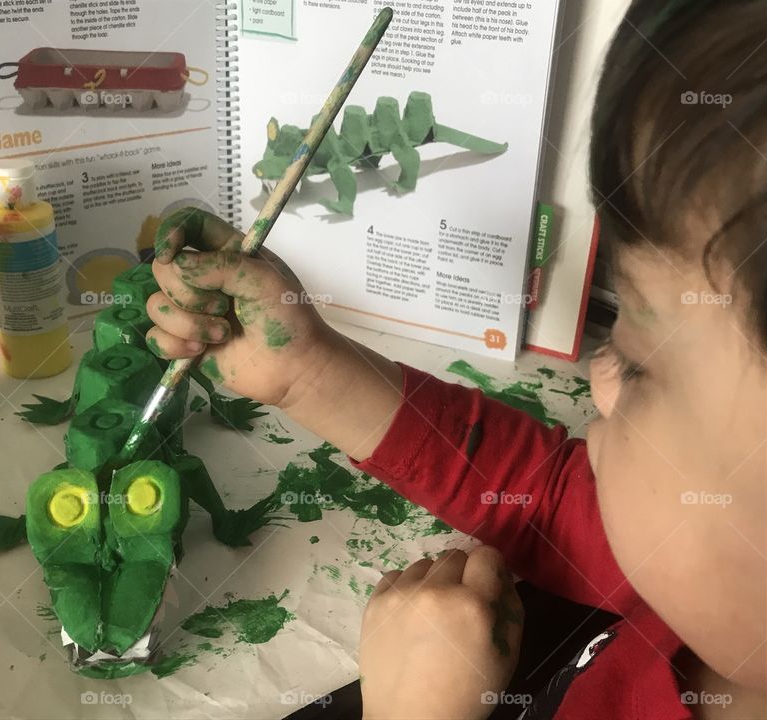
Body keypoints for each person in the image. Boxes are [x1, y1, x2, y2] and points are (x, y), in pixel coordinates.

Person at [145, 1, 766, 716]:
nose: (599, 377)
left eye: (639, 364)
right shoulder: (707, 573)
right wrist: (309, 372)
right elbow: (548, 503)